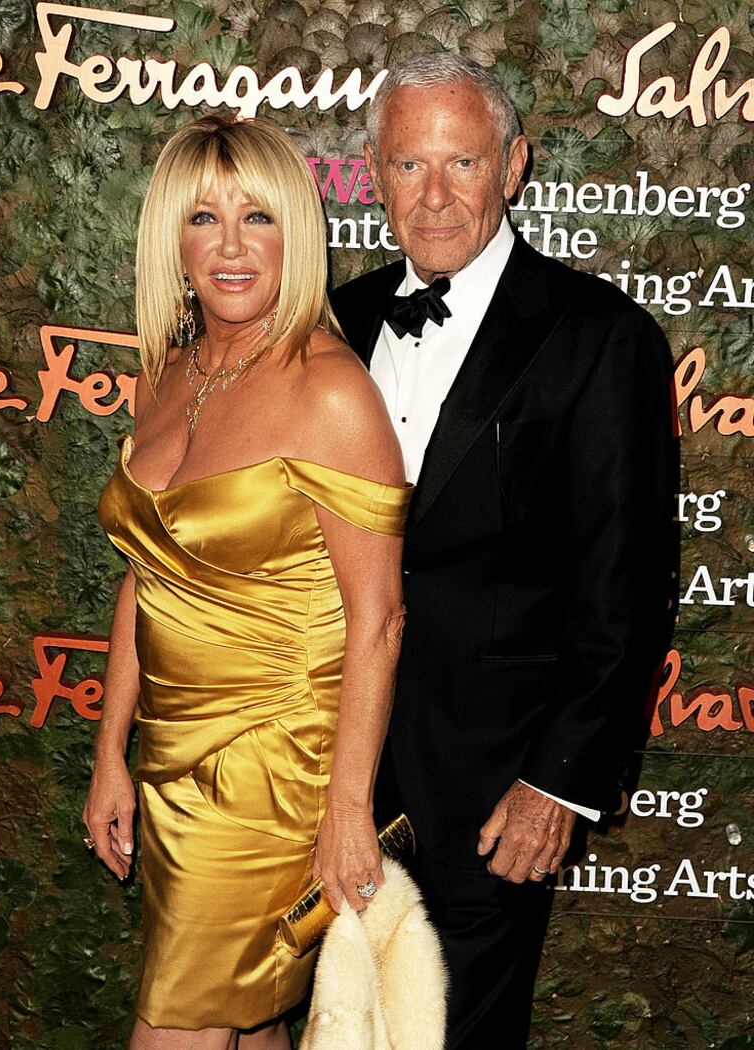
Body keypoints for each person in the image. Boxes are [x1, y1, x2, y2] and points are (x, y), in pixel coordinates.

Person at [332, 54, 678, 1049]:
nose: (433, 195)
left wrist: (556, 779)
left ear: (513, 164)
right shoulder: (334, 322)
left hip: (490, 787)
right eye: (407, 165)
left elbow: (621, 584)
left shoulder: (599, 337)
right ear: (371, 171)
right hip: (321, 773)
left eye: (462, 162)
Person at [83, 115, 411, 1050]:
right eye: (203, 219)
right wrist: (113, 750)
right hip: (171, 761)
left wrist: (347, 816)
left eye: (257, 217)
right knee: (253, 1027)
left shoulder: (329, 390)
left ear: (295, 235)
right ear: (170, 240)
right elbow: (148, 578)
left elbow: (379, 621)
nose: (230, 247)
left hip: (274, 768)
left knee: (177, 1027)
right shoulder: (167, 371)